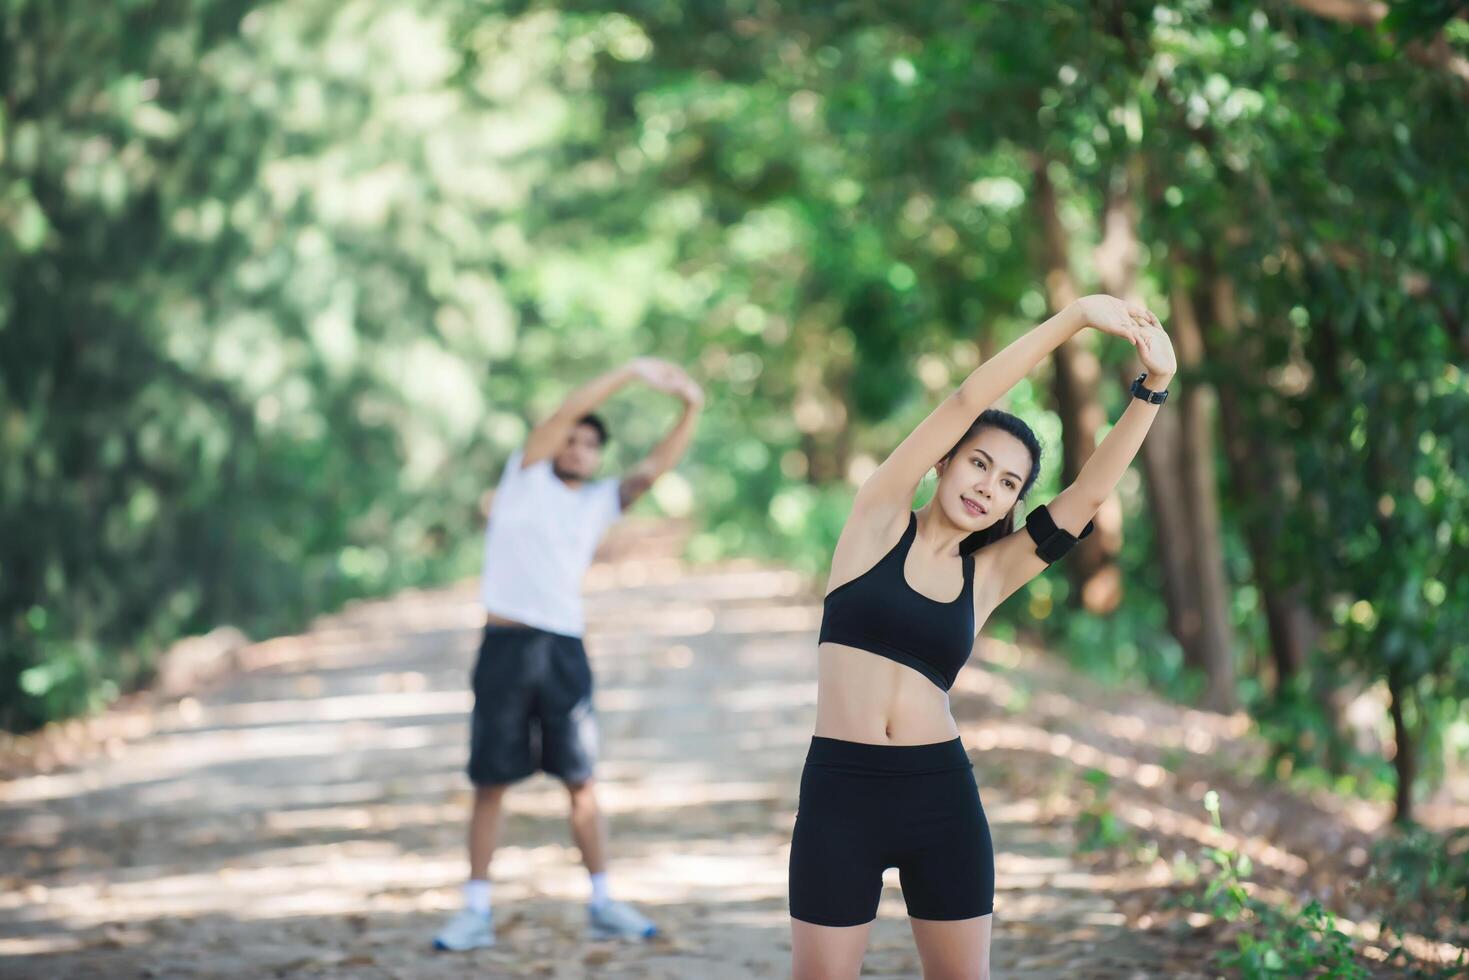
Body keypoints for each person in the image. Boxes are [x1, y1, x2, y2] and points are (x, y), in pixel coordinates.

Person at [788, 294, 1176, 979]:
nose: (986, 487)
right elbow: (968, 397)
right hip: (840, 794)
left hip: (939, 797)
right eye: (977, 464)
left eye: (1006, 484)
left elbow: (1085, 499)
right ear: (943, 461)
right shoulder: (877, 520)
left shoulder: (988, 576)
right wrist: (1076, 318)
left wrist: (1153, 388)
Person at [434, 357, 705, 951]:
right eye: (572, 437)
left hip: (564, 649)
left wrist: (691, 406)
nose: (578, 446)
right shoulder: (524, 477)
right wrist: (631, 372)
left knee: (581, 781)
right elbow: (562, 413)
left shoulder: (599, 503)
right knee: (489, 782)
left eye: (590, 444)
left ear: (596, 457)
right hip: (505, 646)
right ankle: (475, 908)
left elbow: (656, 468)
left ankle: (603, 900)